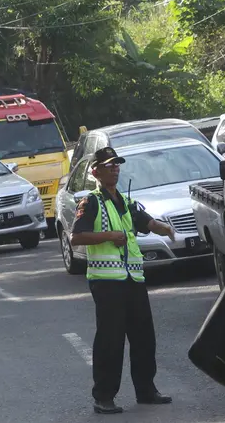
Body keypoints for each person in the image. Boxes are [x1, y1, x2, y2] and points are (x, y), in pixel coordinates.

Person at [70, 147, 176, 415]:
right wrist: (108, 235)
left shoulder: (125, 202)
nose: (114, 168)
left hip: (132, 278)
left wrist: (163, 227)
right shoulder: (91, 202)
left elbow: (143, 221)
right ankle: (103, 396)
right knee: (110, 340)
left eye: (116, 164)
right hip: (106, 282)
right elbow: (77, 236)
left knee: (143, 337)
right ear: (95, 171)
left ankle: (146, 390)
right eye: (108, 165)